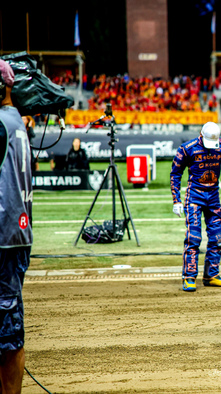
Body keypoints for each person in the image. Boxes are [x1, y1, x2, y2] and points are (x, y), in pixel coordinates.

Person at [170, 122, 221, 291]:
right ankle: (189, 277)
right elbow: (175, 173)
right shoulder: (187, 148)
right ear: (201, 134)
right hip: (194, 197)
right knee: (193, 237)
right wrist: (176, 200)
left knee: (217, 235)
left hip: (214, 196)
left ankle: (211, 275)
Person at [0, 59, 33, 393]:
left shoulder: (2, 122)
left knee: (8, 335)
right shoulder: (16, 122)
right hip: (15, 235)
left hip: (4, 238)